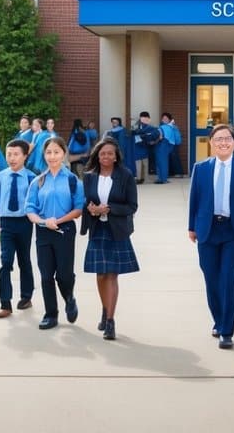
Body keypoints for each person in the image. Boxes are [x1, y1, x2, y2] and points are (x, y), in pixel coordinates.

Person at [188, 123, 234, 349]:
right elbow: (194, 200)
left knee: (228, 277)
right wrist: (191, 226)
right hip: (207, 229)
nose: (223, 142)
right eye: (218, 139)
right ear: (211, 143)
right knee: (211, 277)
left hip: (233, 231)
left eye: (227, 139)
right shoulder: (201, 168)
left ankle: (227, 330)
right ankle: (218, 320)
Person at [81, 137, 139, 341]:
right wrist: (91, 209)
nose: (105, 156)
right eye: (102, 153)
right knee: (100, 274)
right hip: (97, 229)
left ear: (116, 157)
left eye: (110, 154)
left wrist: (109, 209)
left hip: (117, 230)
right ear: (97, 155)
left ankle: (111, 321)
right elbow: (85, 201)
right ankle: (105, 310)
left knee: (112, 275)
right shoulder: (89, 176)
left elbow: (132, 206)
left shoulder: (125, 175)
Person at [24, 136, 85, 330]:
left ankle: (69, 298)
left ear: (63, 154)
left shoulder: (72, 180)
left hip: (65, 230)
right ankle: (51, 314)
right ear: (44, 155)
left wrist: (57, 221)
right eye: (48, 152)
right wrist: (44, 221)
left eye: (56, 152)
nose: (52, 156)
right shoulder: (38, 182)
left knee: (64, 275)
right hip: (43, 232)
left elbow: (78, 209)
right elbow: (30, 209)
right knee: (46, 275)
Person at [0, 139, 36, 317]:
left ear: (25, 156)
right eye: (9, 154)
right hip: (7, 223)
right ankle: (5, 304)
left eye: (16, 154)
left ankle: (26, 296)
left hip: (24, 222)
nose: (12, 158)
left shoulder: (32, 178)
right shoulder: (1, 176)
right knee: (6, 262)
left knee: (24, 260)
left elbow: (34, 203)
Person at [133, 111, 163, 184]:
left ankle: (142, 178)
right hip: (140, 146)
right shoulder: (138, 125)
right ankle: (141, 178)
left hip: (143, 146)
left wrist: (151, 139)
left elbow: (156, 134)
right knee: (141, 163)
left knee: (143, 163)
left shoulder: (147, 126)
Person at [162, 113, 185, 178]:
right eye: (163, 118)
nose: (164, 120)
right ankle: (170, 173)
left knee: (175, 158)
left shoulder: (173, 127)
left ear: (169, 119)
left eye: (166, 118)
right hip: (164, 145)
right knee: (167, 158)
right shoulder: (162, 126)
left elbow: (177, 136)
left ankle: (179, 173)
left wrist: (177, 143)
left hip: (173, 145)